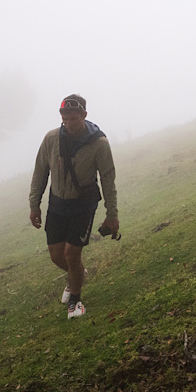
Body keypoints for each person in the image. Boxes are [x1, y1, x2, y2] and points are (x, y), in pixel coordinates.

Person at [28, 94, 119, 319]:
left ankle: (76, 302)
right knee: (56, 255)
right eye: (64, 118)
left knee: (71, 254)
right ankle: (77, 274)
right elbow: (40, 171)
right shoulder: (51, 139)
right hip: (57, 204)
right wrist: (34, 204)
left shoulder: (99, 143)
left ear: (84, 116)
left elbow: (108, 178)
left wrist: (112, 214)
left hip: (83, 204)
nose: (68, 123)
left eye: (73, 118)